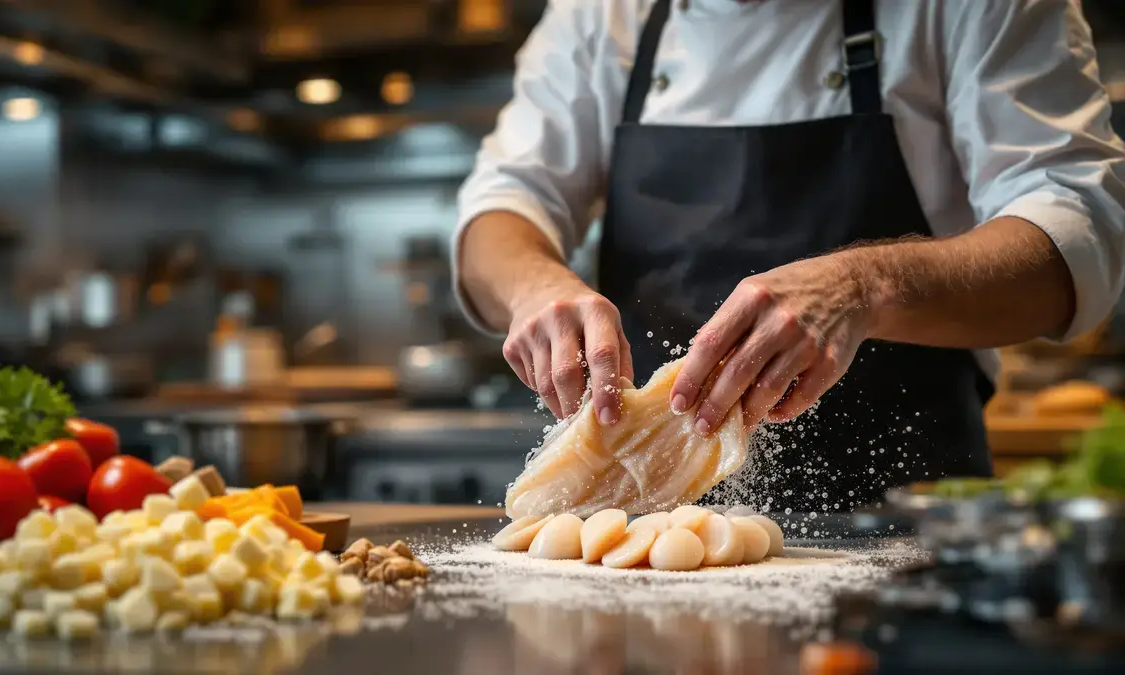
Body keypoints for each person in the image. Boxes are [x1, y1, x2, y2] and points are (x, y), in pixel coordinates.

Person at [451, 0, 1125, 511]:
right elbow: (503, 205)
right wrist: (535, 287)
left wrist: (866, 286)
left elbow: (1076, 228)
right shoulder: (603, 14)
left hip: (904, 526)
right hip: (646, 526)